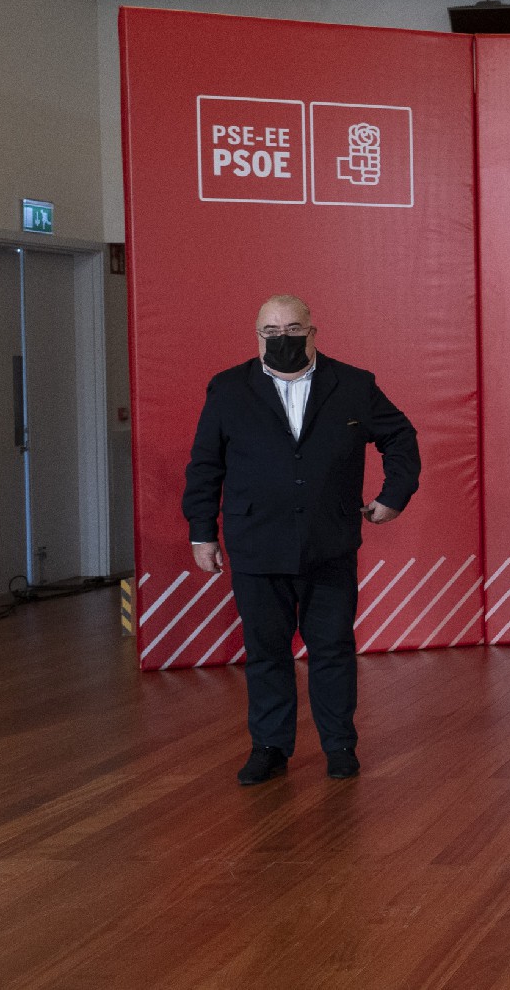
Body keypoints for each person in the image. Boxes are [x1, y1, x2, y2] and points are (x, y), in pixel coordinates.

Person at [183, 295, 420, 786]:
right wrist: (202, 532)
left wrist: (393, 496)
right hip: (255, 545)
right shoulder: (228, 389)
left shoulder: (354, 384)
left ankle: (339, 747)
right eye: (271, 331)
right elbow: (205, 465)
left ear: (314, 331)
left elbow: (400, 437)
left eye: (292, 328)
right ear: (257, 335)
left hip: (328, 541)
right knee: (266, 652)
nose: (282, 338)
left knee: (332, 649)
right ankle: (270, 748)